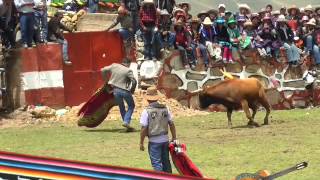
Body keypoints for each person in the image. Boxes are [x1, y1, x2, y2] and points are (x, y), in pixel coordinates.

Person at [139, 86, 176, 173]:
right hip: (165, 140)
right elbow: (171, 123)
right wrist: (174, 137)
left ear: (147, 99)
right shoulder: (165, 108)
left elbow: (144, 128)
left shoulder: (146, 111)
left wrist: (141, 142)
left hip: (154, 141)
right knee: (166, 162)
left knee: (156, 163)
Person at [101, 61, 137, 130]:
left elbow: (102, 70)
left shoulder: (114, 66)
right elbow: (134, 81)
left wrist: (106, 81)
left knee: (121, 107)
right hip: (125, 91)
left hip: (115, 91)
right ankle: (126, 122)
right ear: (128, 64)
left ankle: (126, 123)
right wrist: (132, 90)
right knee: (131, 106)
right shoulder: (128, 70)